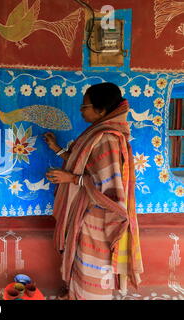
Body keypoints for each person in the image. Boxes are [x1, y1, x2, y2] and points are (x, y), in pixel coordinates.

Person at [43, 82, 143, 300]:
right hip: (86, 211)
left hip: (98, 217)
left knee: (94, 262)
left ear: (102, 110)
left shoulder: (107, 138)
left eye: (84, 106)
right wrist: (57, 149)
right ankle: (76, 294)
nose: (81, 110)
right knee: (80, 258)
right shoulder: (96, 133)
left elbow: (107, 188)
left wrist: (71, 178)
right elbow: (83, 163)